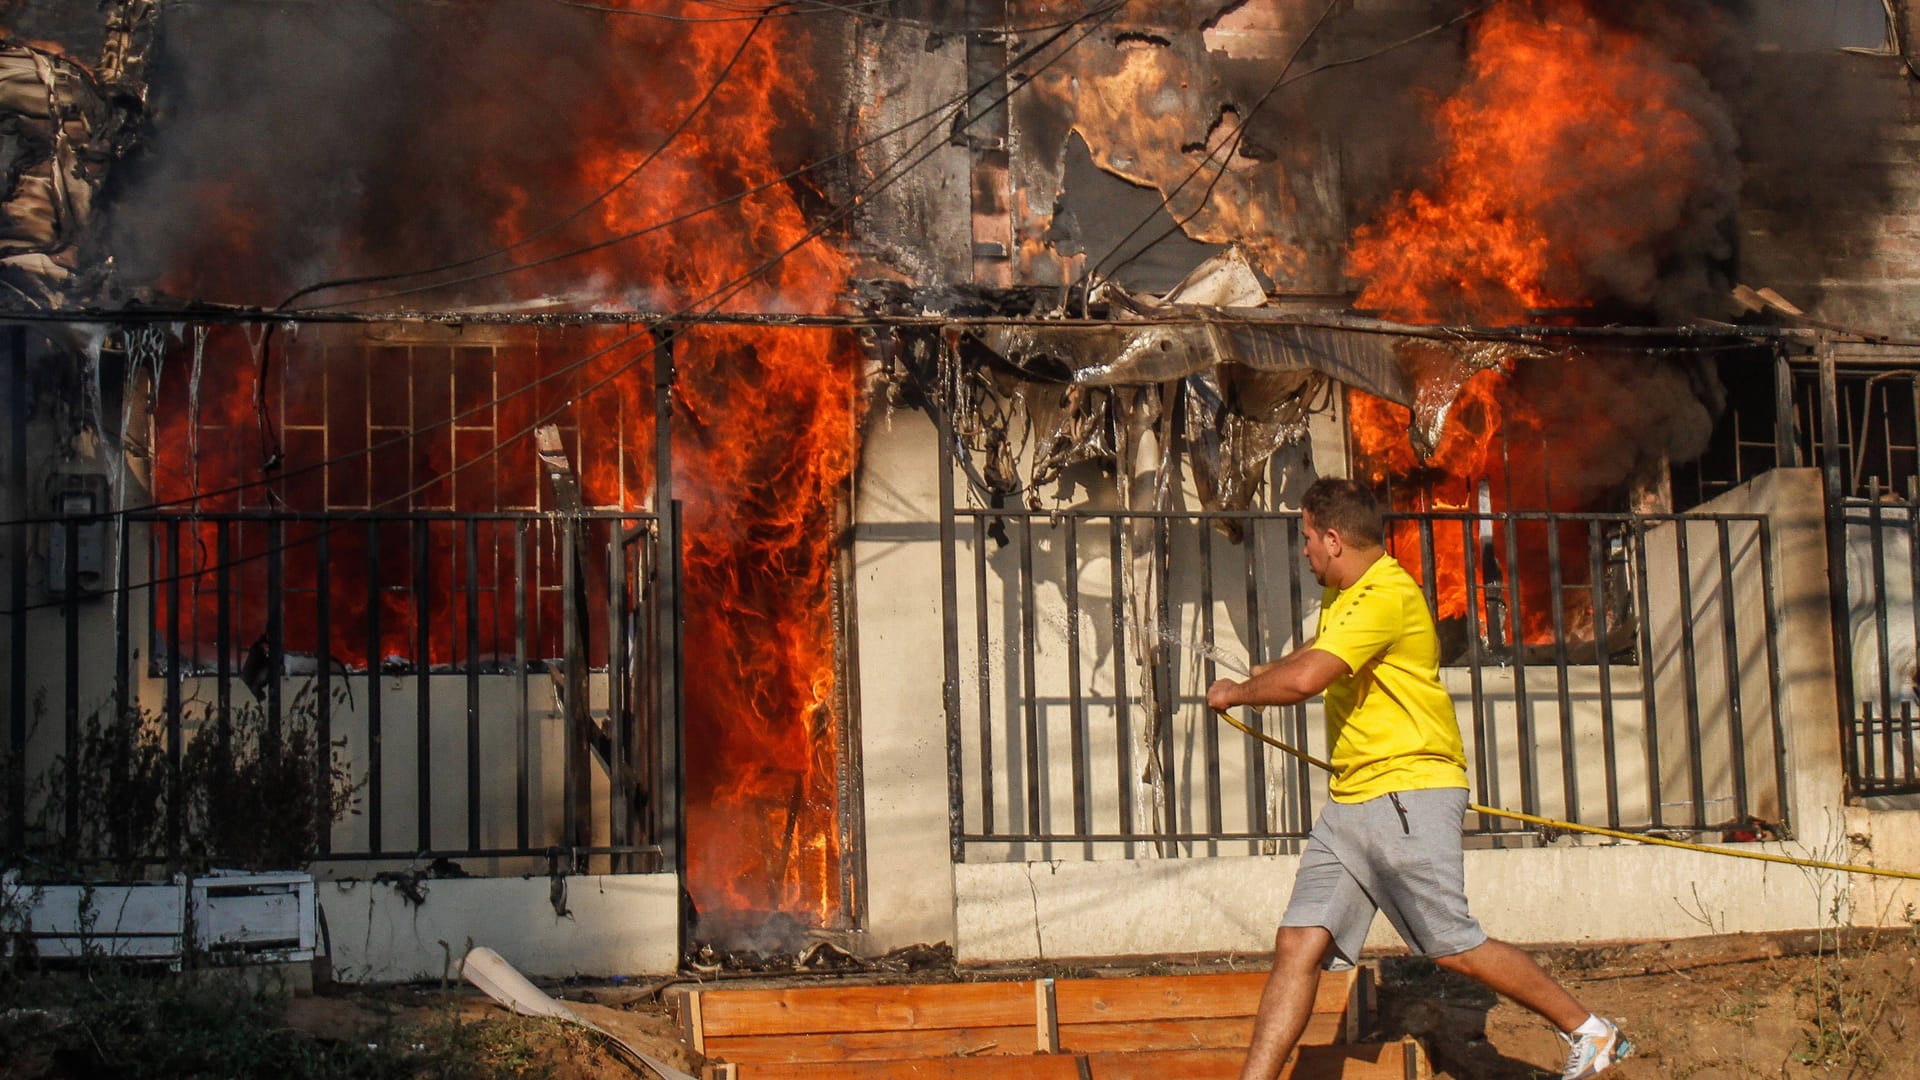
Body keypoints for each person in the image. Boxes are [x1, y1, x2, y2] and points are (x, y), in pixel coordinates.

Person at [1206, 477, 1631, 1080]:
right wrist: (1265, 667)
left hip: (1405, 792)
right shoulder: (1346, 592)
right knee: (1297, 944)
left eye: (1305, 540)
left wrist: (1242, 693)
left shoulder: (1385, 595)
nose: (1303, 552)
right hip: (1352, 802)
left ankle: (1592, 1032)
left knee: (1452, 945)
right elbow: (1320, 650)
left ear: (1332, 538)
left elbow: (1307, 681)